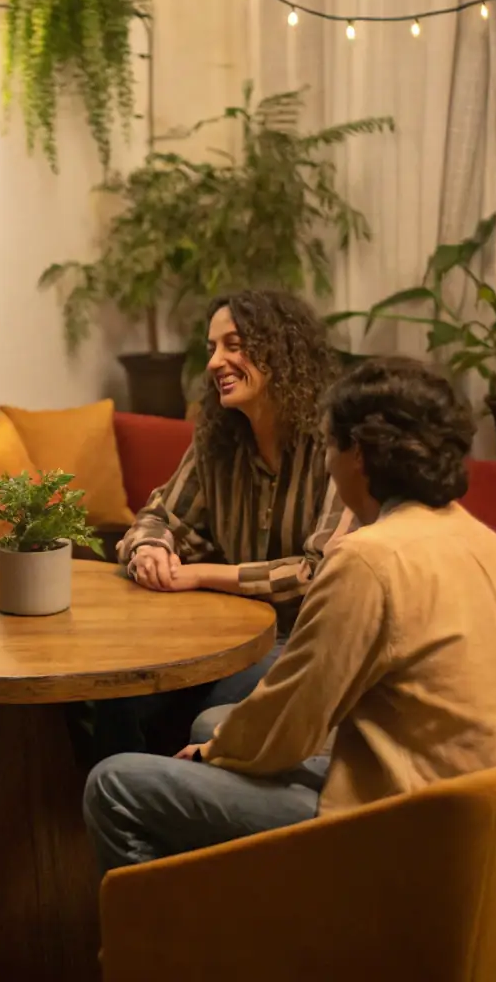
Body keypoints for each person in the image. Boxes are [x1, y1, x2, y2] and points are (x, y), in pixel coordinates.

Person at [83, 356, 496, 870]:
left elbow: (293, 720)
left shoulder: (369, 558)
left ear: (358, 454)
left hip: (409, 823)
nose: (326, 462)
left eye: (329, 445)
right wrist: (218, 746)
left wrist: (212, 755)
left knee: (113, 782)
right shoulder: (487, 542)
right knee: (214, 724)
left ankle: (175, 944)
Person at [94, 290, 357, 757]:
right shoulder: (219, 436)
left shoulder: (335, 443)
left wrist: (199, 574)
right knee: (117, 693)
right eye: (212, 348)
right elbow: (158, 516)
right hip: (223, 631)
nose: (216, 362)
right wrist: (149, 549)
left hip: (305, 640)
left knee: (203, 713)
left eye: (234, 345)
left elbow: (319, 572)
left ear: (282, 350)